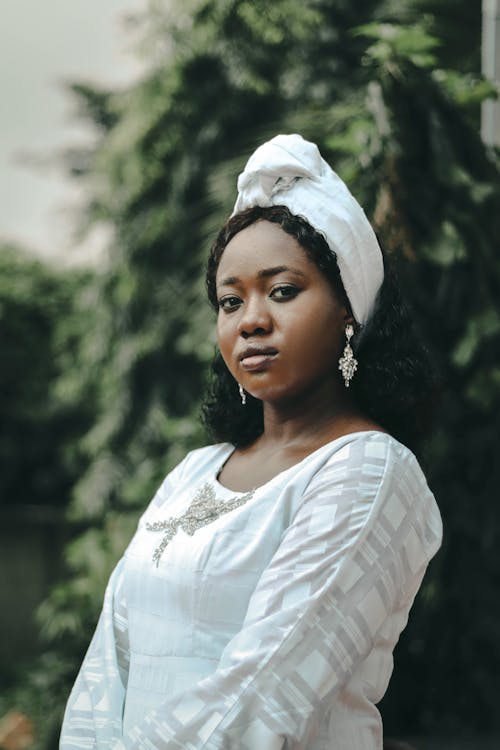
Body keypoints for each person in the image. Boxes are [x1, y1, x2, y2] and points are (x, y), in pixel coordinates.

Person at [60, 134, 442, 750]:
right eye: (230, 300)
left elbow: (263, 696)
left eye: (283, 291)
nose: (251, 320)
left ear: (351, 311)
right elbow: (109, 666)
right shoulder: (192, 473)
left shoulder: (369, 473)